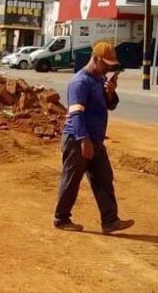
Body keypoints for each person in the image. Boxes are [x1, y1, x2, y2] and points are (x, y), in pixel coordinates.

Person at [53, 41, 135, 234]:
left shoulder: (99, 80)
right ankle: (61, 218)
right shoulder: (79, 82)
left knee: (104, 178)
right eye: (105, 63)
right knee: (71, 180)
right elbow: (76, 114)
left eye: (110, 65)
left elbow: (108, 106)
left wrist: (110, 93)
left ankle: (110, 221)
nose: (108, 68)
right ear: (95, 59)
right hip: (78, 139)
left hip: (95, 140)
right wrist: (84, 140)